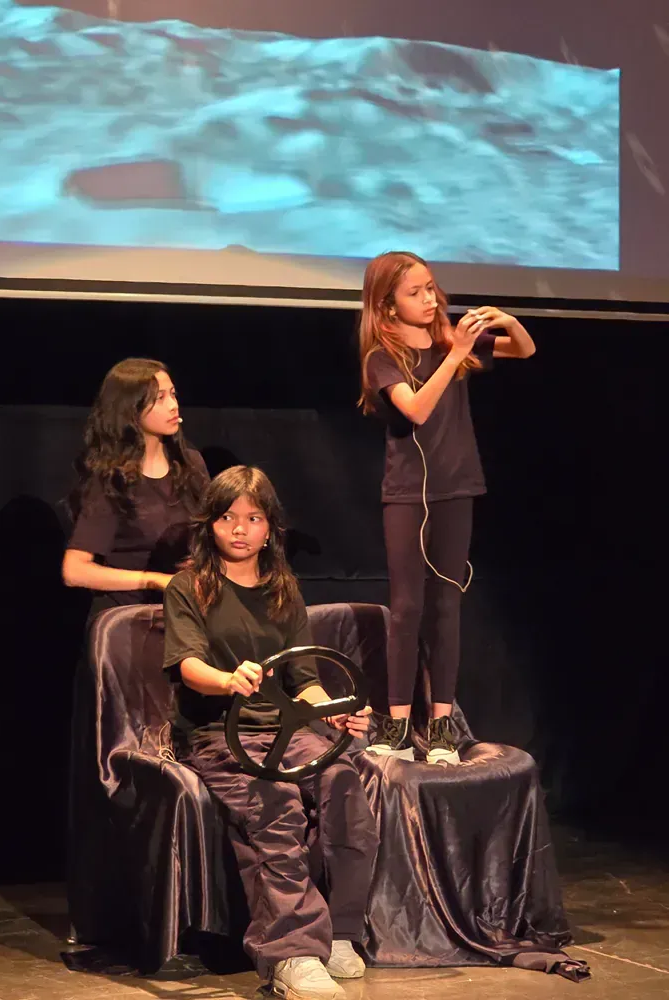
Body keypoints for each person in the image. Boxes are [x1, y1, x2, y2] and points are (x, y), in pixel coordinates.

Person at [163, 466, 378, 1000]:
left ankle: (342, 934)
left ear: (270, 528)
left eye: (252, 518)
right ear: (210, 525)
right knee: (275, 804)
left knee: (346, 783)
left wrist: (338, 711)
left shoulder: (284, 590)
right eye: (228, 517)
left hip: (287, 729)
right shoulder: (190, 587)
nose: (239, 529)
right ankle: (292, 953)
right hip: (222, 734)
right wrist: (227, 680)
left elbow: (304, 683)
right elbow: (188, 665)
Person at [359, 251, 536, 764]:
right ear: (387, 306)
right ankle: (394, 724)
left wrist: (506, 322)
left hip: (458, 487)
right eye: (414, 292)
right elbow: (413, 408)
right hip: (407, 493)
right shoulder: (382, 355)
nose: (430, 299)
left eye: (431, 287)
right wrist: (456, 356)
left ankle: (440, 727)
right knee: (407, 608)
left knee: (447, 606)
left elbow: (524, 350)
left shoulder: (447, 340)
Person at [62, 357, 208, 616]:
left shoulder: (190, 464)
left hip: (186, 613)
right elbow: (75, 571)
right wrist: (155, 580)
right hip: (130, 620)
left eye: (173, 395)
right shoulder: (111, 479)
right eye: (159, 399)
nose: (173, 406)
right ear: (131, 410)